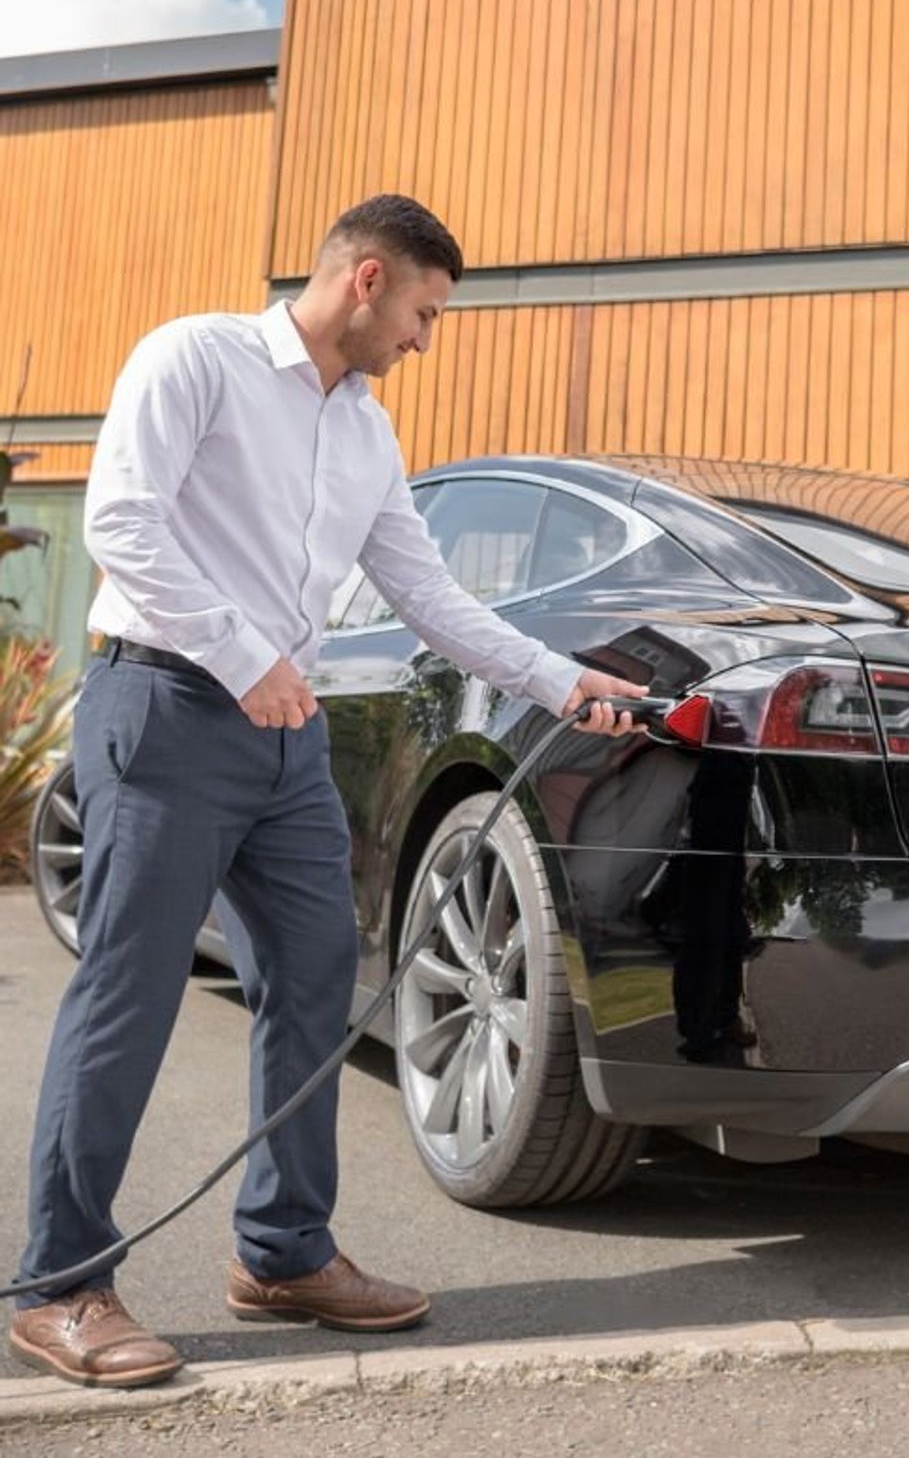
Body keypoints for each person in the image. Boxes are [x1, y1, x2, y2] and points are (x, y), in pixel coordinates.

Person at [8, 194, 650, 1389]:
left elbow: (431, 596)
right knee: (128, 996)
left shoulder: (368, 433)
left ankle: (284, 1250)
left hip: (283, 740)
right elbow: (124, 526)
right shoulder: (193, 357)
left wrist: (566, 684)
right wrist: (243, 656)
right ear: (365, 280)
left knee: (313, 979)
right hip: (165, 710)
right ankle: (61, 1286)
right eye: (422, 308)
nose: (423, 335)